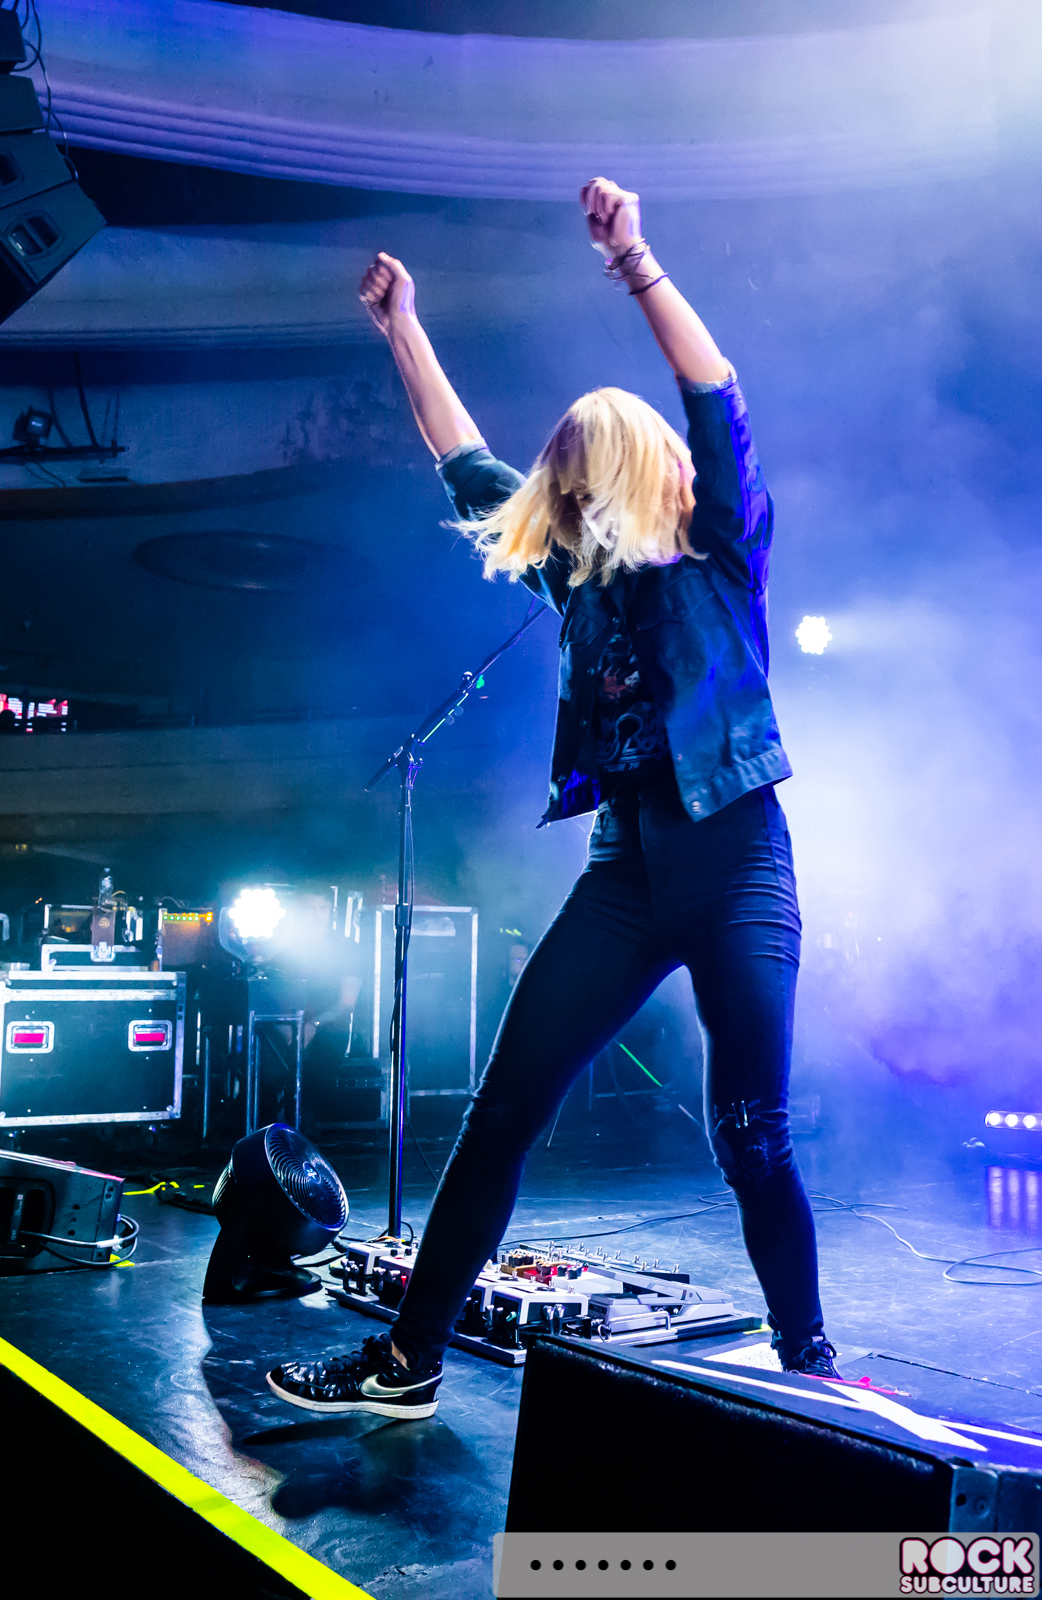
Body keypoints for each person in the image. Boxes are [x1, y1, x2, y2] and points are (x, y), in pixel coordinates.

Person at [267, 177, 838, 1419]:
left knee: (748, 1130)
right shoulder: (573, 581)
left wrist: (633, 259)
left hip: (736, 859)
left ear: (629, 467)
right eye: (560, 483)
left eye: (581, 473)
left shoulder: (722, 546)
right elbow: (464, 463)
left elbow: (713, 393)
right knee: (503, 1110)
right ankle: (408, 1359)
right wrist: (402, 330)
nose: (565, 495)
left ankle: (812, 1366)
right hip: (624, 874)